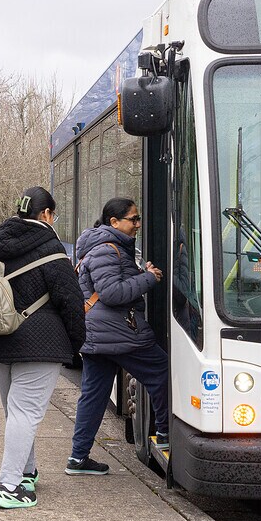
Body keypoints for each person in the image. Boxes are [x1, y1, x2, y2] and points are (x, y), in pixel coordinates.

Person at [0, 187, 87, 510]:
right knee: (25, 412)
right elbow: (71, 302)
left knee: (16, 411)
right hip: (40, 345)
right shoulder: (51, 249)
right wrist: (74, 346)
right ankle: (9, 487)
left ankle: (27, 471)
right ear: (47, 215)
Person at [69, 197, 170, 472]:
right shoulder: (107, 250)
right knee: (160, 370)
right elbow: (113, 293)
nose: (138, 224)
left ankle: (78, 458)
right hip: (119, 333)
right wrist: (149, 278)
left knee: (93, 395)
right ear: (114, 222)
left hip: (99, 334)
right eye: (133, 219)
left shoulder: (104, 247)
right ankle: (165, 435)